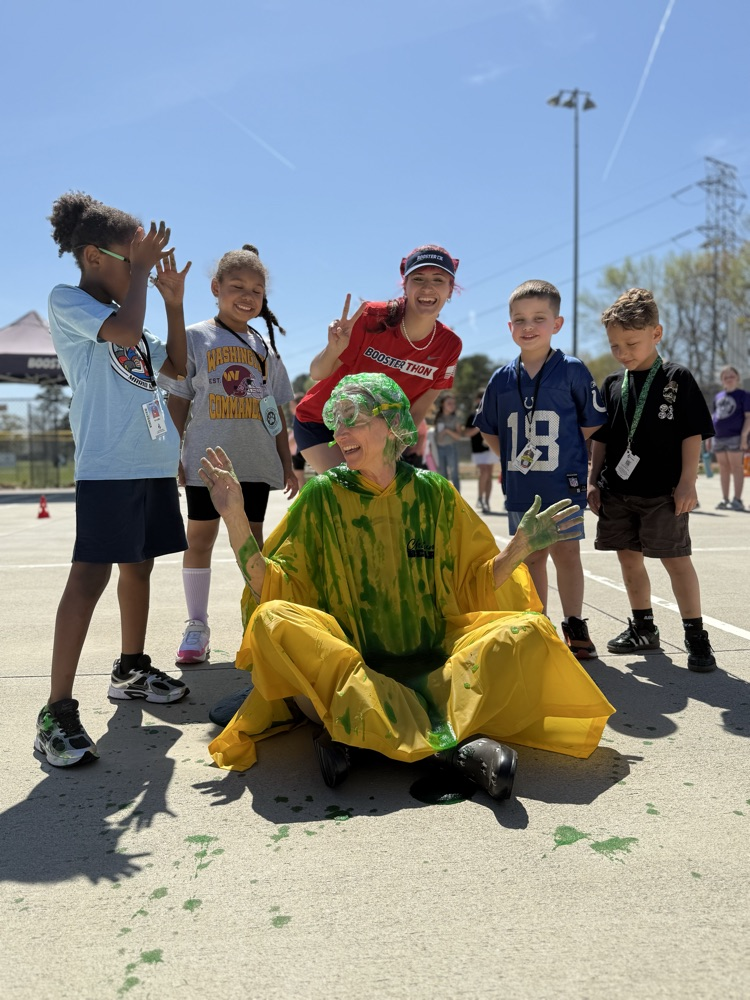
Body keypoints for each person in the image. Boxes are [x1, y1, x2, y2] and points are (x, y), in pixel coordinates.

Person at [204, 373, 614, 801]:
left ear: (391, 423)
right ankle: (453, 748)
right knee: (274, 620)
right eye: (336, 422)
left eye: (352, 419)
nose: (339, 433)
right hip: (352, 662)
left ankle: (355, 734)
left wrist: (517, 550)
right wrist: (234, 518)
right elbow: (274, 589)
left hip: (433, 662)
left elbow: (473, 589)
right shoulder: (321, 495)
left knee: (530, 630)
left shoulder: (434, 493)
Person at [36, 192, 191, 768]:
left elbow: (174, 366)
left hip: (149, 465)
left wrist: (172, 303)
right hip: (107, 468)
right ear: (92, 257)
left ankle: (130, 667)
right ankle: (55, 708)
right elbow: (124, 335)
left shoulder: (136, 319)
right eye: (132, 259)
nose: (140, 269)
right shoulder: (70, 301)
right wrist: (146, 276)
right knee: (89, 578)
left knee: (140, 566)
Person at [159, 245, 298, 666]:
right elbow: (179, 400)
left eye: (256, 290)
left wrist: (287, 463)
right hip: (209, 462)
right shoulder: (196, 337)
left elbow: (274, 412)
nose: (247, 295)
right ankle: (196, 626)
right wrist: (174, 454)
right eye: (237, 286)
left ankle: (256, 622)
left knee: (251, 544)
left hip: (255, 462)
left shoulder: (265, 348)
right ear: (216, 288)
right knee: (199, 540)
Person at [587, 288, 717, 672]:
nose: (623, 352)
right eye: (615, 346)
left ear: (656, 334)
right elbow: (602, 439)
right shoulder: (612, 384)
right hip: (618, 491)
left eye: (631, 342)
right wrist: (595, 480)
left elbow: (691, 434)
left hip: (664, 492)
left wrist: (687, 483)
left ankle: (696, 636)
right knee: (629, 562)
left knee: (677, 562)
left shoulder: (677, 378)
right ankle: (643, 627)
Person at [474, 280, 605, 661]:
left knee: (567, 554)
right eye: (519, 320)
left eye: (538, 318)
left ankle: (575, 622)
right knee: (530, 557)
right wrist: (511, 459)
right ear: (509, 326)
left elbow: (591, 423)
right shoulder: (501, 378)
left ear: (557, 323)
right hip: (521, 485)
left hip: (562, 482)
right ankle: (537, 621)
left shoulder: (573, 371)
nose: (528, 326)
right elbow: (488, 428)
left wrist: (570, 455)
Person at [293, 245, 462, 473]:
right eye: (419, 279)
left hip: (373, 435)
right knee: (351, 491)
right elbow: (317, 373)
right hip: (320, 422)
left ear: (450, 289)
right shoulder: (373, 317)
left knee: (379, 500)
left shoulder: (449, 345)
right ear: (405, 285)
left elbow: (417, 410)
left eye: (439, 280)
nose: (428, 287)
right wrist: (333, 349)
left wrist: (390, 455)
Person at [708, 366, 750, 511]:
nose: (729, 379)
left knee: (736, 467)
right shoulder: (718, 397)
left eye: (731, 376)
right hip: (719, 437)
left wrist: (744, 437)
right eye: (725, 377)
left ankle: (737, 500)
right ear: (722, 381)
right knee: (723, 468)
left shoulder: (743, 395)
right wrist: (709, 438)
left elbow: (748, 417)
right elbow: (714, 417)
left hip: (736, 436)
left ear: (737, 378)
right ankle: (724, 499)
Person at [465, 390, 495, 514]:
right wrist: (480, 426)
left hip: (490, 448)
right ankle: (479, 498)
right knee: (484, 472)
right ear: (477, 400)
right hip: (478, 449)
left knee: (489, 474)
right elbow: (467, 433)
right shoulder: (472, 416)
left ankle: (486, 501)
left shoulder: (493, 414)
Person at [434, 393, 462, 491]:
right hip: (438, 448)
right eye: (449, 403)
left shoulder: (455, 418)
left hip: (451, 447)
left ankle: (458, 497)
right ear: (443, 404)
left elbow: (458, 436)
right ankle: (445, 497)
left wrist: (447, 431)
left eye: (453, 403)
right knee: (442, 474)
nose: (452, 406)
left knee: (454, 474)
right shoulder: (438, 417)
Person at [288, 392, 308, 490]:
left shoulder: (301, 416)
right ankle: (303, 496)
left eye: (292, 405)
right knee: (298, 475)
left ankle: (304, 497)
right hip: (297, 450)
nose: (290, 408)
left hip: (302, 448)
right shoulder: (295, 417)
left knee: (299, 475)